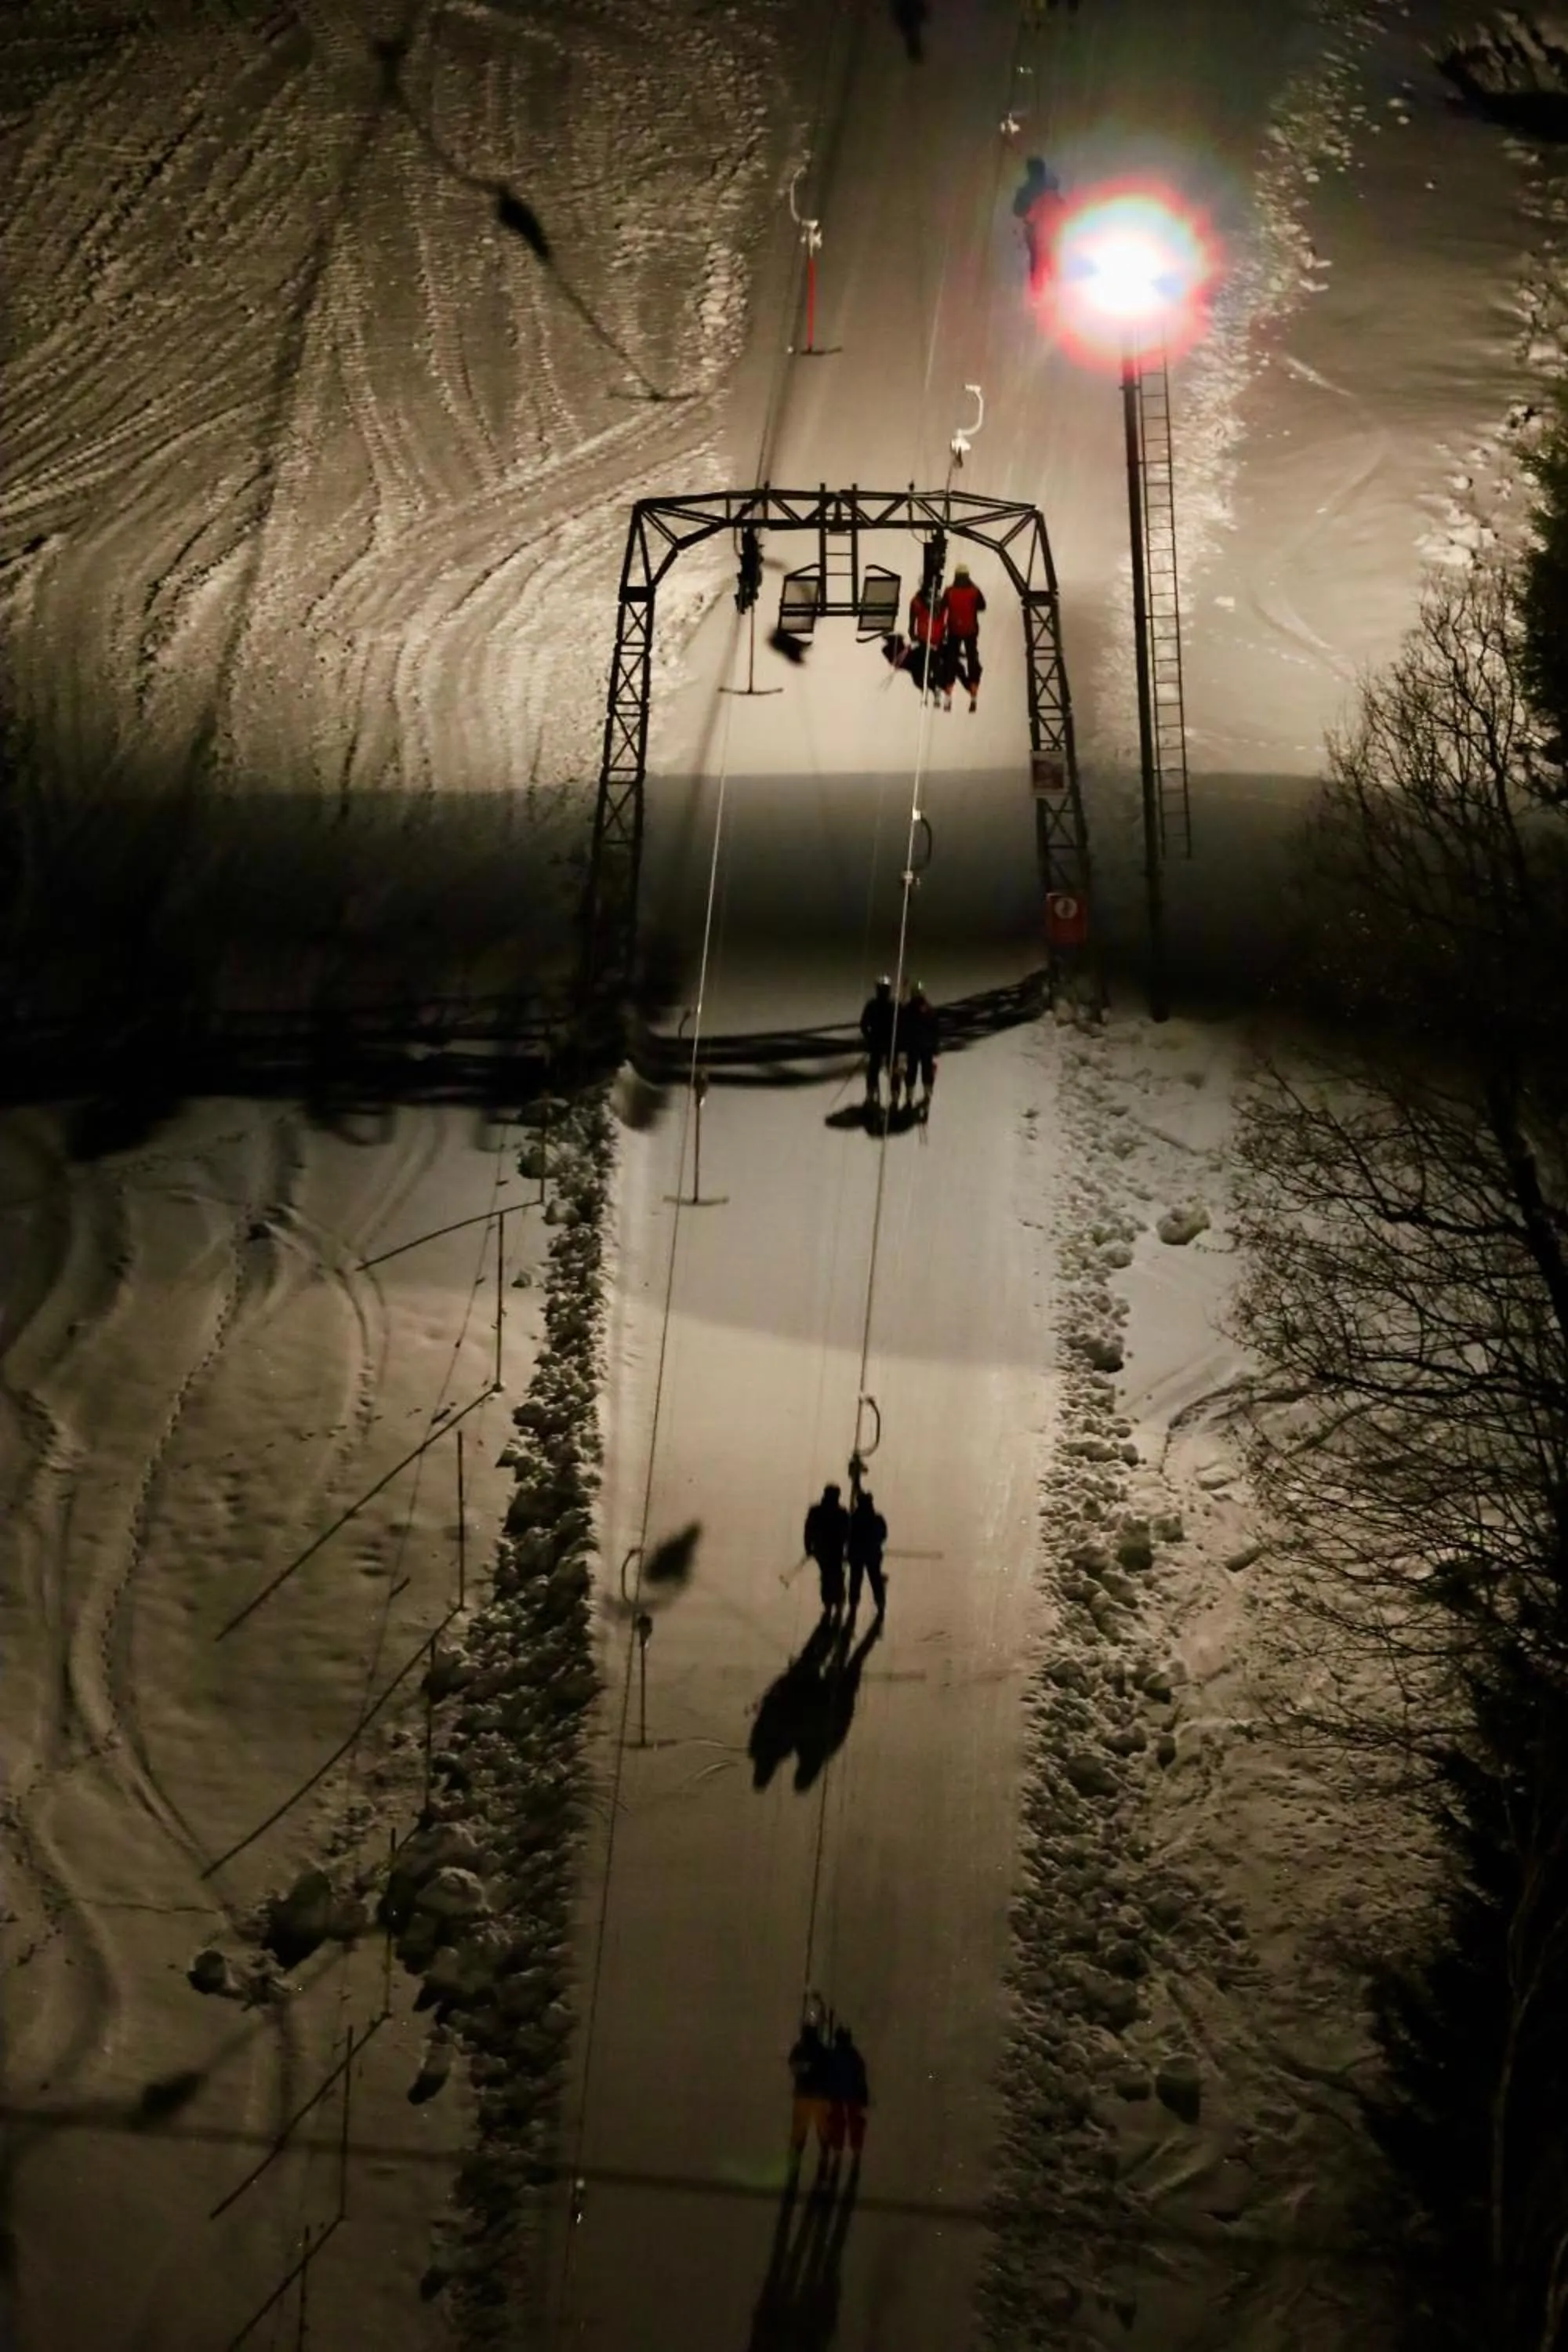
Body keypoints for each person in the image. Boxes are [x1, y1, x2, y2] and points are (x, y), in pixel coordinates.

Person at [1012, 157, 1066, 301]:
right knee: (1051, 259)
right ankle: (1056, 291)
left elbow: (1018, 211)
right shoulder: (1050, 189)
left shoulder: (1028, 190)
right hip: (1051, 230)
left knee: (1038, 261)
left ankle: (1039, 293)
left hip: (1037, 230)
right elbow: (1061, 208)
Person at [938, 564, 986, 712]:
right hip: (971, 630)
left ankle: (948, 694)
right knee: (973, 659)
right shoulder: (974, 591)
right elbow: (982, 606)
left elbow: (941, 607)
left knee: (950, 662)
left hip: (954, 631)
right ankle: (973, 692)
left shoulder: (949, 591)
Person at [788, 2014, 833, 2157]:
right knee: (823, 2135)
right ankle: (823, 2165)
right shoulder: (822, 2050)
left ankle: (794, 2168)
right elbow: (829, 2071)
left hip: (803, 2096)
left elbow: (793, 2066)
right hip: (819, 2097)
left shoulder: (799, 2049)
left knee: (799, 2136)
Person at [803, 1482, 849, 1615]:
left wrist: (808, 1547)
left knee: (827, 1577)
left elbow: (808, 1530)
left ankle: (829, 1603)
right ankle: (837, 1602)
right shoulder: (841, 1513)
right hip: (835, 1550)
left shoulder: (816, 1511)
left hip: (822, 1550)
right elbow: (847, 1533)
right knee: (836, 1577)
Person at [826, 2025, 869, 2158]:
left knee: (838, 2123)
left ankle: (838, 2151)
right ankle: (856, 2151)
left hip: (837, 2094)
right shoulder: (854, 2055)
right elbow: (861, 2076)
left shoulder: (833, 2054)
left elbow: (827, 2075)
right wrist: (863, 2095)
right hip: (852, 2094)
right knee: (854, 2124)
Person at [847, 1488, 887, 1620]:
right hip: (873, 1554)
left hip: (857, 1554)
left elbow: (847, 1536)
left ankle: (853, 1605)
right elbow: (883, 1535)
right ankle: (880, 1604)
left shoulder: (853, 1519)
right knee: (875, 1579)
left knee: (855, 1580)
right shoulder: (877, 1518)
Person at [898, 982, 938, 1117]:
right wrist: (935, 1046)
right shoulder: (929, 1009)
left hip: (914, 1047)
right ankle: (926, 1097)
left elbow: (902, 1027)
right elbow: (935, 1030)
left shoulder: (908, 1009)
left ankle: (911, 1099)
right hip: (924, 1047)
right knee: (923, 1073)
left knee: (912, 1073)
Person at [858, 975, 895, 1109]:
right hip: (880, 1044)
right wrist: (870, 1038)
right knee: (874, 1071)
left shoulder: (891, 1006)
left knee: (891, 1071)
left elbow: (863, 1025)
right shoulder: (875, 1005)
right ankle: (872, 1096)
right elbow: (864, 1024)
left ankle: (893, 1098)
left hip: (887, 1044)